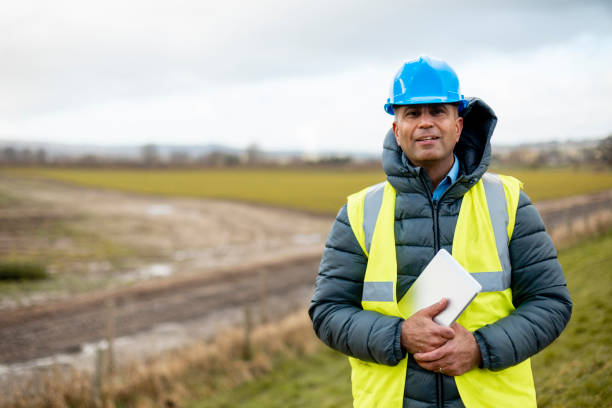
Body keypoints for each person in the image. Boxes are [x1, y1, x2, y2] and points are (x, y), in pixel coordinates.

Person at [308, 55, 572, 408]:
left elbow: (550, 303)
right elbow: (327, 312)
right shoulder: (359, 212)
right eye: (413, 114)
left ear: (458, 125)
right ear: (396, 129)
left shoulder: (508, 202)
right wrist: (399, 335)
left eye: (438, 111)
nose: (426, 124)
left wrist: (480, 348)